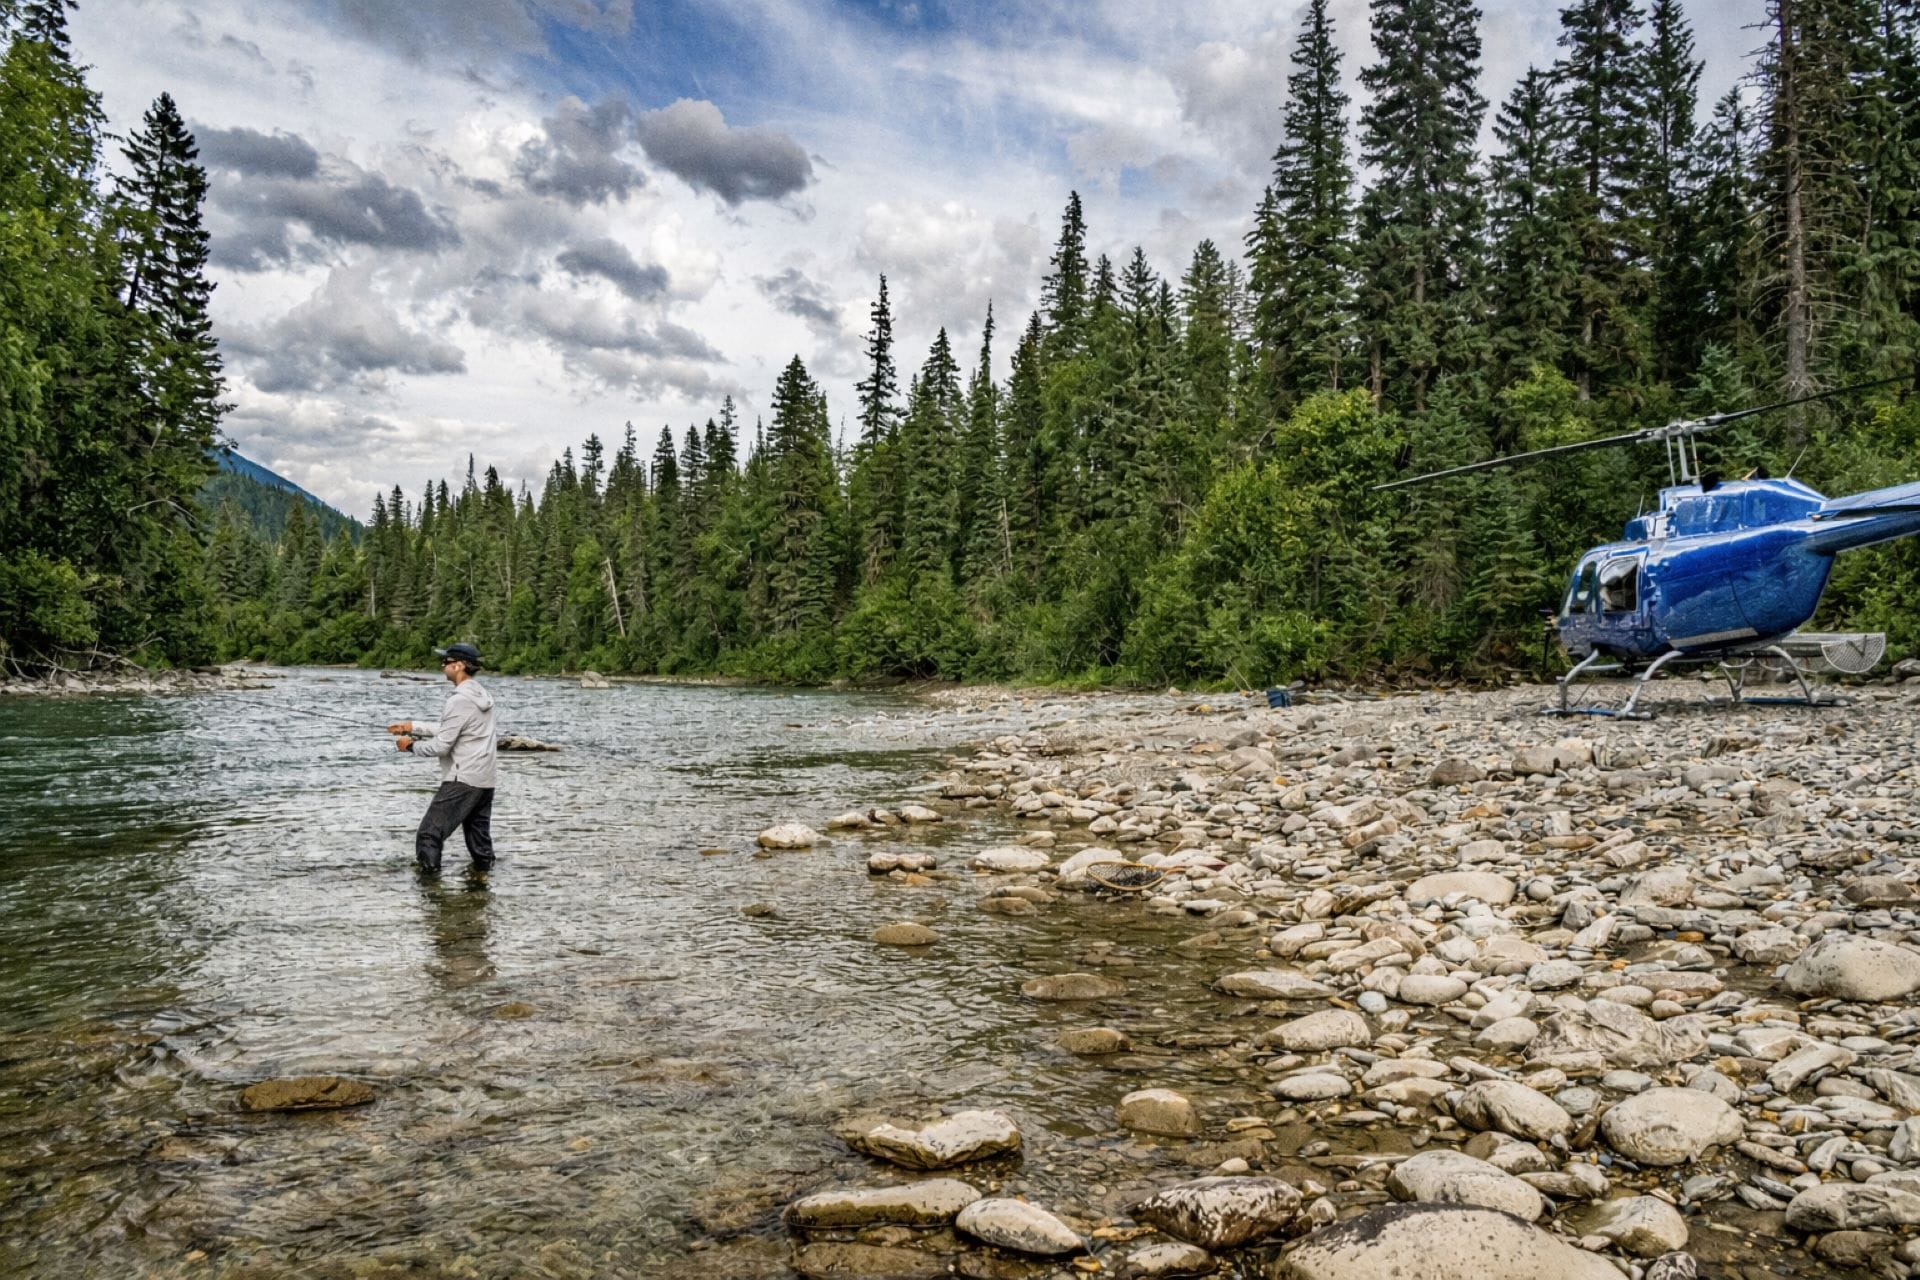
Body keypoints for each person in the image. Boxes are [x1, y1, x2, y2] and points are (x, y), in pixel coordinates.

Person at [389, 642, 498, 875]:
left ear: (459, 666)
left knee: (429, 835)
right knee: (479, 842)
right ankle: (484, 884)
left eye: (446, 662)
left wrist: (410, 746)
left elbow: (442, 746)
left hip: (463, 779)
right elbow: (453, 729)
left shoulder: (458, 700)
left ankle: (430, 891)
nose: (442, 665)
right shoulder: (481, 695)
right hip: (484, 780)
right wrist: (412, 726)